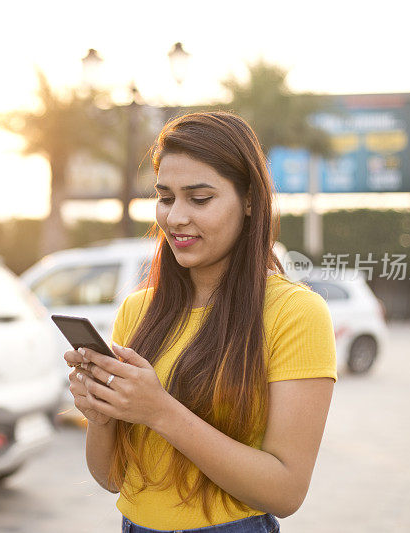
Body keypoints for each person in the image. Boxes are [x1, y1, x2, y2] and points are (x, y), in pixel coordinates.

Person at [64, 111, 337, 533]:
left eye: (200, 198)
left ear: (249, 201)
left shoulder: (295, 313)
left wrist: (159, 411)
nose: (175, 218)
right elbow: (112, 479)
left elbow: (286, 493)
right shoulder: (138, 311)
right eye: (166, 197)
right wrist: (102, 415)